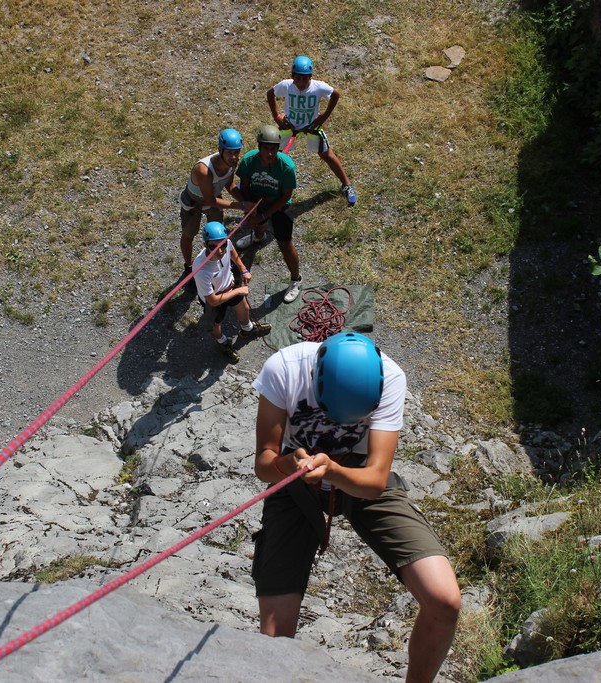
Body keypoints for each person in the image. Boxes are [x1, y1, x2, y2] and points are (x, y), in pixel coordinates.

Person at [250, 332, 461, 683]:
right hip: (295, 483)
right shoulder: (284, 369)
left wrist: (332, 470)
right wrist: (290, 465)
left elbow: (376, 479)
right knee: (274, 638)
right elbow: (263, 464)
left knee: (444, 601)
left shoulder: (390, 378)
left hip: (358, 475)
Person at [267, 55, 357, 207]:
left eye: (305, 79)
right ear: (292, 76)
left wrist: (323, 117)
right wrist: (276, 116)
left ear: (310, 77)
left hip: (311, 127)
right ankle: (269, 187)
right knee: (274, 156)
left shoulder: (318, 87)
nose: (301, 82)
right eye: (298, 78)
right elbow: (271, 93)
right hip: (289, 126)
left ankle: (347, 185)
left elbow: (335, 95)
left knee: (326, 154)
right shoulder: (286, 85)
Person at [235, 125, 304, 304]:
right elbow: (245, 186)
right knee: (256, 224)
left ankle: (296, 279)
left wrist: (264, 215)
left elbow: (286, 196)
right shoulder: (248, 161)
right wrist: (252, 211)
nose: (270, 153)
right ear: (259, 147)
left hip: (279, 204)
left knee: (285, 243)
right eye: (266, 148)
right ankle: (259, 237)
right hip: (257, 198)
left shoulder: (287, 167)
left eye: (274, 149)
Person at [179, 128, 250, 290]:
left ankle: (221, 261)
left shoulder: (231, 163)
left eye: (237, 153)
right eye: (230, 153)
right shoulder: (203, 170)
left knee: (219, 235)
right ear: (220, 151)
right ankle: (189, 267)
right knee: (189, 234)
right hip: (193, 203)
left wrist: (245, 202)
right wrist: (242, 205)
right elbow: (210, 199)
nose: (234, 157)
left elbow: (230, 185)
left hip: (212, 200)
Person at [192, 221, 270, 363]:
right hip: (215, 300)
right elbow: (213, 300)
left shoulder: (226, 243)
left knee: (244, 309)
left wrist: (243, 269)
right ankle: (222, 342)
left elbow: (232, 252)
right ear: (205, 245)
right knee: (216, 325)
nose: (220, 251)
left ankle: (247, 329)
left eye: (223, 245)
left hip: (230, 286)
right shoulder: (201, 269)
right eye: (213, 247)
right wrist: (238, 291)